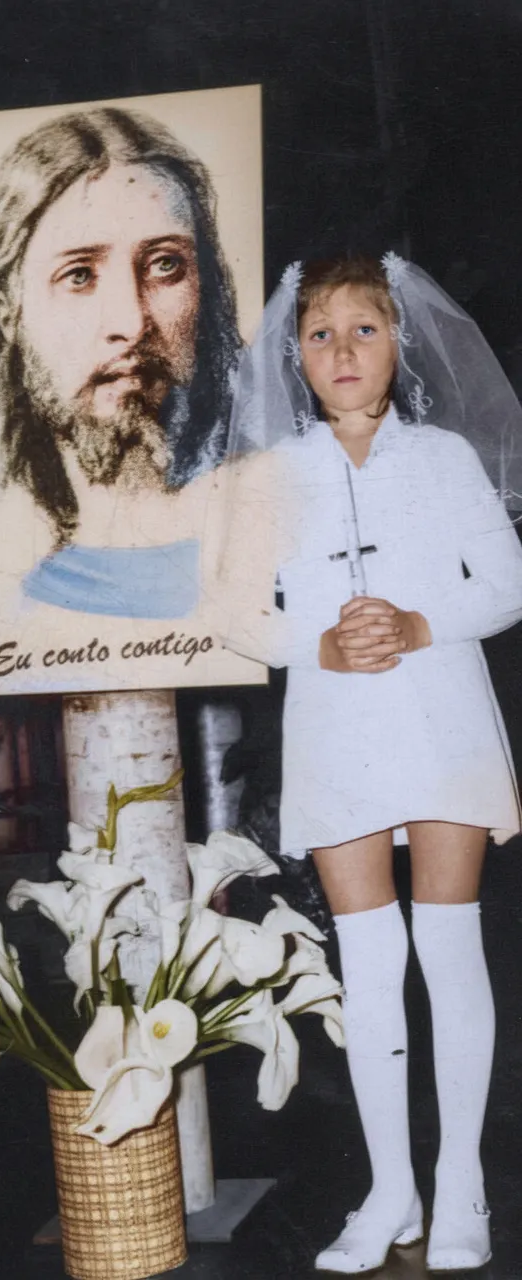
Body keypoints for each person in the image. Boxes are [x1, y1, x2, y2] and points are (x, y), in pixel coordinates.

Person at [219, 252, 522, 1273]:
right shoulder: (271, 473)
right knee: (369, 960)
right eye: (318, 334)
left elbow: (506, 584)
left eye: (363, 328)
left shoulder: (440, 457)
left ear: (400, 340)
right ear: (292, 355)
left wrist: (417, 617)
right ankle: (388, 1184)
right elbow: (236, 611)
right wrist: (318, 642)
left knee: (447, 944)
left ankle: (458, 1183)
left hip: (440, 712)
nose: (341, 350)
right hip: (337, 722)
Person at [0, 106, 241, 618]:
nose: (131, 323)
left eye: (164, 265)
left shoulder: (262, 536)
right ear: (7, 313)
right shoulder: (13, 611)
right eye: (80, 275)